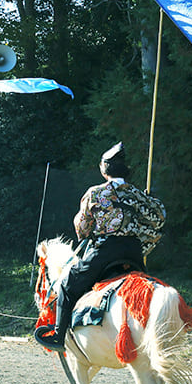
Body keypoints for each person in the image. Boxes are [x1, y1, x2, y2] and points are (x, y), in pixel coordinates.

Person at [34, 142, 167, 351]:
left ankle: (58, 336)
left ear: (104, 169)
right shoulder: (138, 194)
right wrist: (149, 201)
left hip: (105, 252)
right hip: (134, 253)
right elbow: (159, 219)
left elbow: (82, 227)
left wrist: (90, 232)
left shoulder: (95, 193)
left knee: (67, 285)